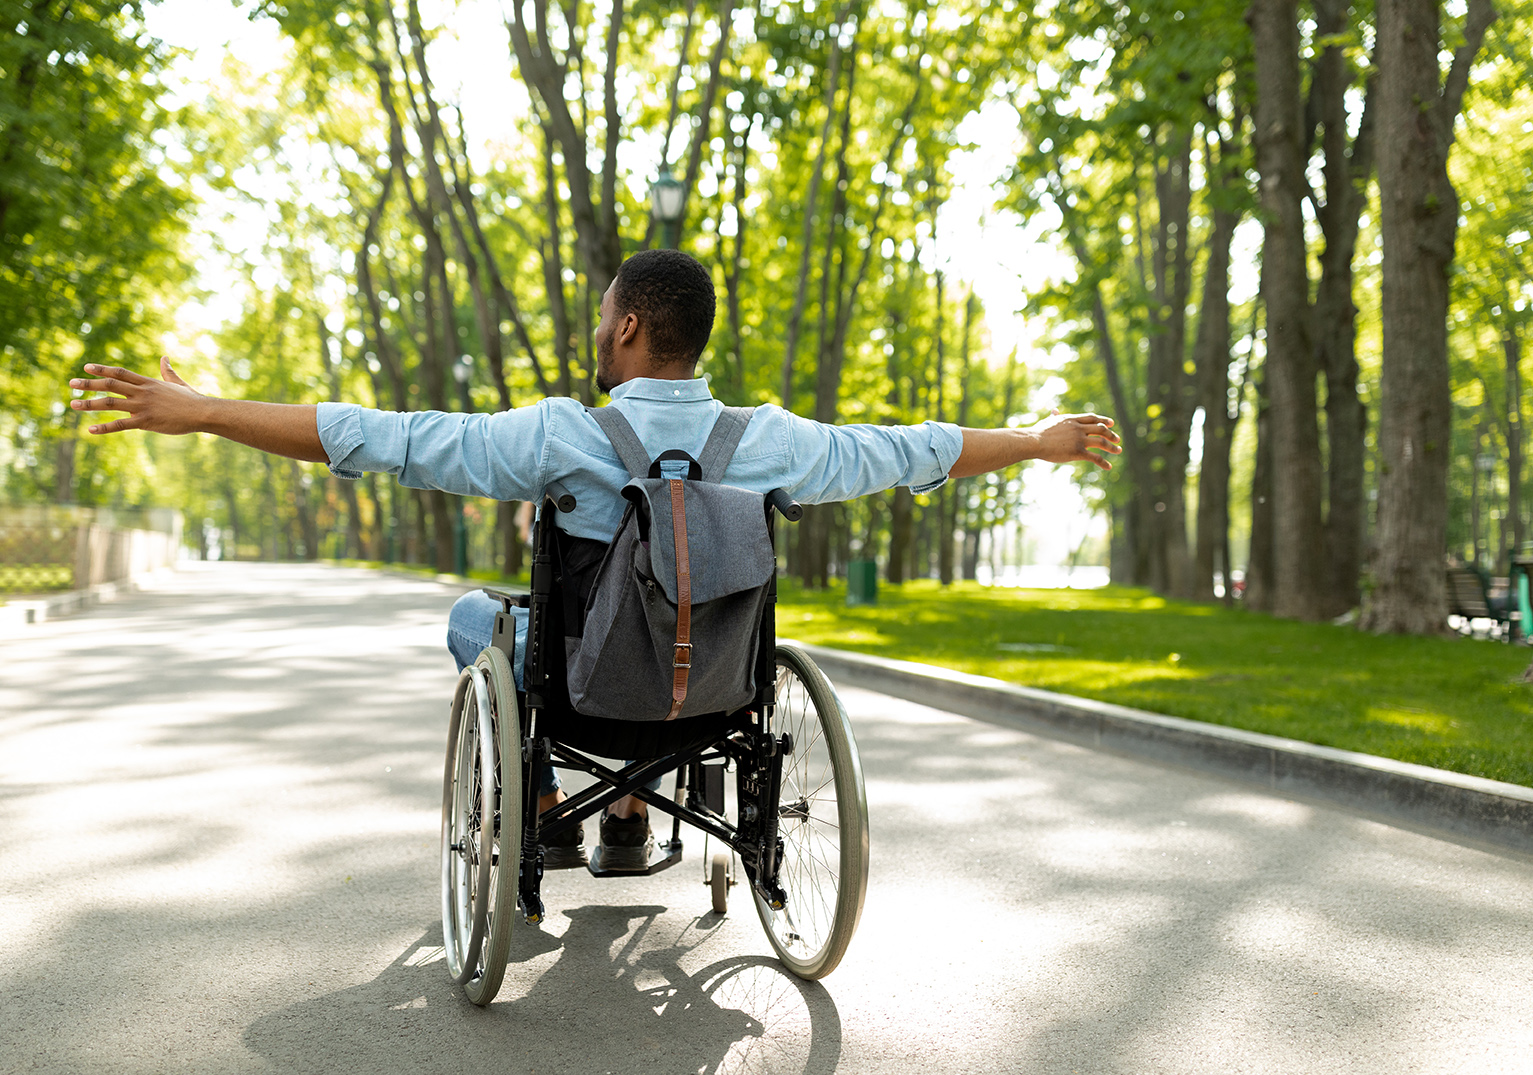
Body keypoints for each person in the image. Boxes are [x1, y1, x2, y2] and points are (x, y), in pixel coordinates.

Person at [67, 248, 1121, 871]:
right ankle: (628, 811)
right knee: (670, 626)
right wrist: (1032, 439)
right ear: (694, 339)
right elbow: (909, 452)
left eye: (600, 319)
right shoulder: (771, 442)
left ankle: (545, 812)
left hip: (580, 691)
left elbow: (377, 434)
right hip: (716, 692)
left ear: (624, 328)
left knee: (472, 624)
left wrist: (206, 411)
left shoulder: (558, 435)